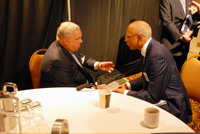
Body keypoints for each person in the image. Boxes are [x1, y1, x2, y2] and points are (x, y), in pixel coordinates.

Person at [112, 21, 192, 123]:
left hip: (173, 104)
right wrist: (127, 85)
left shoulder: (157, 56)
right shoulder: (149, 48)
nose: (125, 40)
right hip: (161, 95)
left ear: (139, 38)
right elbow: (147, 76)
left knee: (129, 114)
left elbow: (153, 97)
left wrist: (125, 92)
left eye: (128, 36)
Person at [40, 21, 115, 88]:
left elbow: (81, 58)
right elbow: (71, 90)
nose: (81, 41)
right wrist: (94, 89)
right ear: (66, 40)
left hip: (87, 85)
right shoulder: (57, 61)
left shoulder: (64, 46)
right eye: (77, 39)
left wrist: (98, 64)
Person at [159, 0, 194, 71]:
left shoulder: (191, 0)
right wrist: (180, 37)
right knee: (167, 74)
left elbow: (195, 18)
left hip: (184, 46)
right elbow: (166, 20)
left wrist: (192, 32)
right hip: (171, 45)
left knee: (179, 73)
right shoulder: (167, 0)